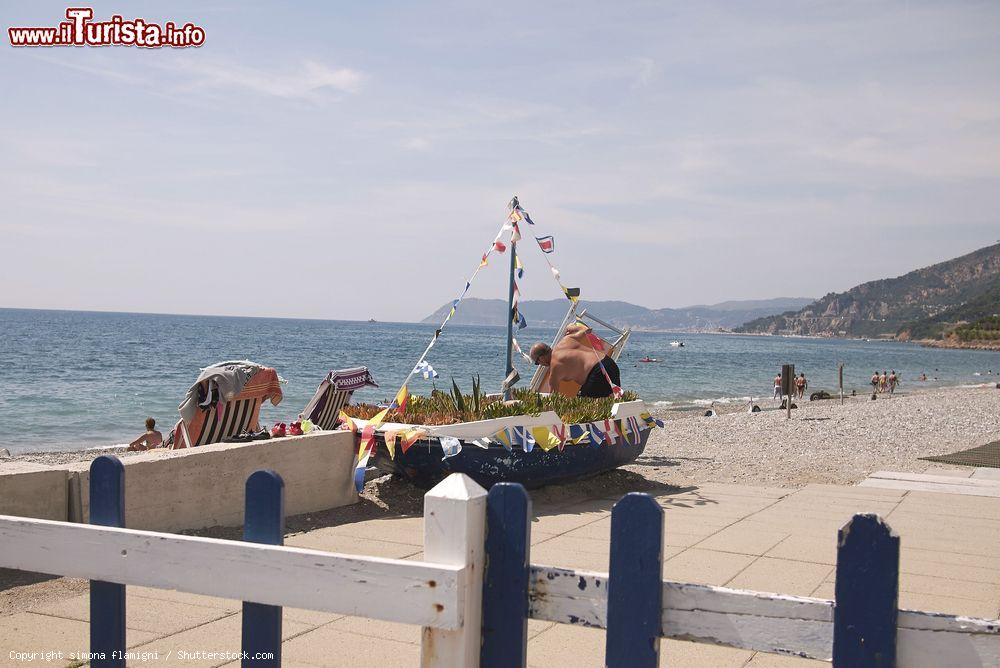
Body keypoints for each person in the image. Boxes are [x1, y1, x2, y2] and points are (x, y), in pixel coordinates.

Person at [530, 323, 621, 398]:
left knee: (581, 405)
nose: (540, 365)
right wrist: (569, 326)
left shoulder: (554, 369)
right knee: (615, 400)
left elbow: (554, 398)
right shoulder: (566, 340)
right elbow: (586, 330)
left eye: (538, 363)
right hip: (609, 363)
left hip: (597, 372)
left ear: (541, 358)